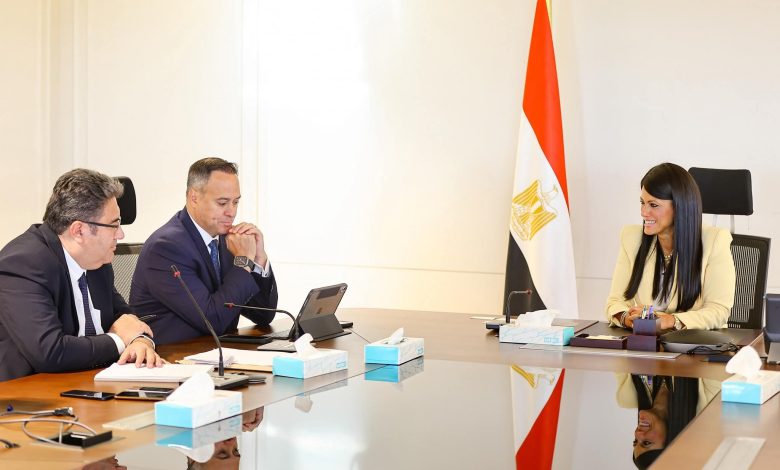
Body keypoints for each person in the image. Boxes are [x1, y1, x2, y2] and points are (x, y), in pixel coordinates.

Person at [0, 169, 162, 382]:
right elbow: (50, 352)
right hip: (27, 391)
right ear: (79, 231)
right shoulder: (23, 264)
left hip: (86, 381)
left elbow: (126, 319)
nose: (120, 234)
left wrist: (140, 341)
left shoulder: (97, 261)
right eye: (114, 225)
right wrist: (119, 340)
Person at [131, 157, 278, 344]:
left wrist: (258, 259)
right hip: (173, 355)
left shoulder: (228, 240)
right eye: (222, 203)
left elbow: (264, 315)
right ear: (194, 197)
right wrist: (243, 261)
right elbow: (212, 320)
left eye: (235, 202)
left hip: (218, 352)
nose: (231, 212)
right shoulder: (166, 248)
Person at [606, 163, 736, 330]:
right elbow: (615, 301)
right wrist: (627, 318)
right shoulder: (631, 237)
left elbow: (718, 311)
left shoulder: (715, 240)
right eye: (642, 202)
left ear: (678, 207)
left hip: (694, 342)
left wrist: (671, 321)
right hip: (647, 340)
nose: (643, 212)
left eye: (653, 205)